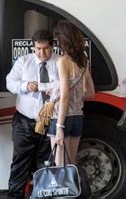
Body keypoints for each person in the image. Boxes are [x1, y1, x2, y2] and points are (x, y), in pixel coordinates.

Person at [6, 29, 59, 198]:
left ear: (52, 46)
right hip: (24, 120)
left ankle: (42, 195)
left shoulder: (60, 62)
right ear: (33, 47)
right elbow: (10, 82)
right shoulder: (24, 61)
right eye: (38, 49)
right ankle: (15, 196)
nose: (41, 53)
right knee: (20, 161)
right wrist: (25, 86)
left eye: (45, 48)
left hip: (49, 120)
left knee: (45, 163)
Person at [49, 20, 94, 165]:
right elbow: (90, 92)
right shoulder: (83, 60)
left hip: (61, 117)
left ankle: (63, 189)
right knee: (70, 164)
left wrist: (60, 126)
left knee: (60, 165)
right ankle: (73, 188)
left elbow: (64, 96)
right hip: (77, 117)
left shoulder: (63, 61)